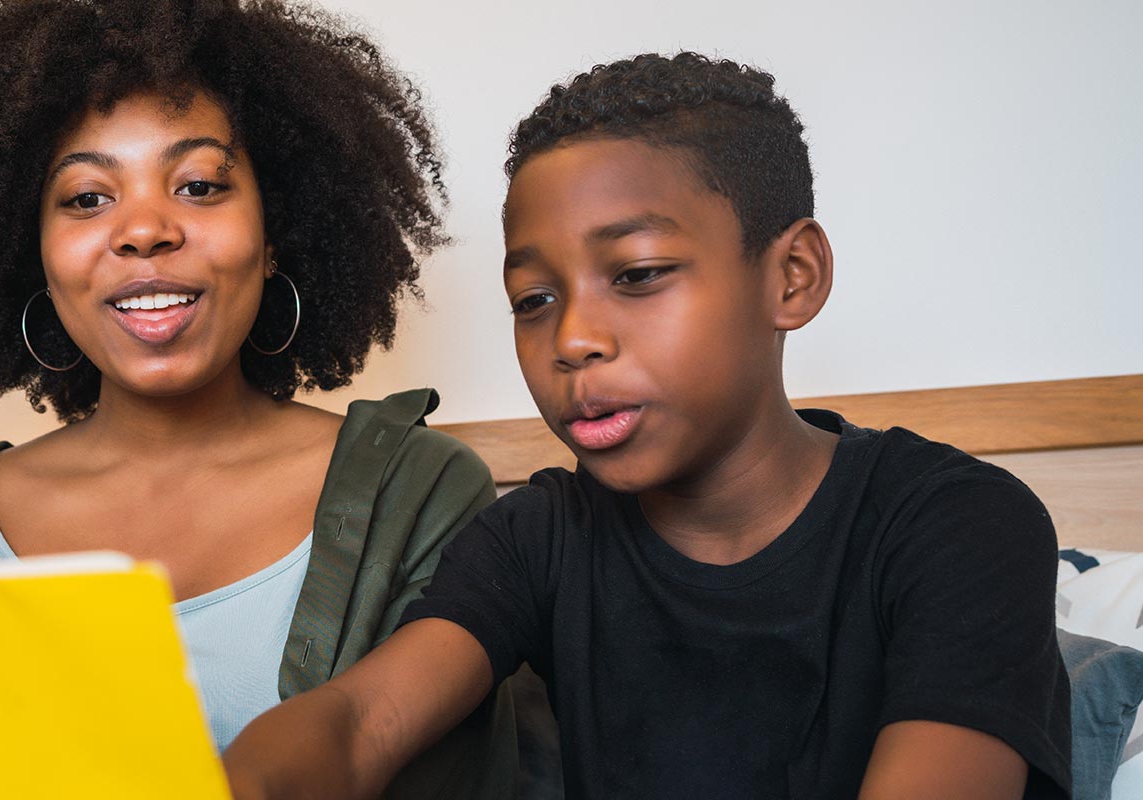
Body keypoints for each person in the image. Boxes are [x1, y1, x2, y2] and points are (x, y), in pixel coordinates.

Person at [223, 52, 1071, 798]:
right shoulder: (537, 538)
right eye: (534, 300)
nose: (573, 340)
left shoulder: (959, 524)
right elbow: (360, 722)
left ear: (793, 277)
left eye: (637, 274)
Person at [0, 0, 517, 793]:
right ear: (29, 253)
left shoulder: (422, 492)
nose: (144, 229)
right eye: (88, 198)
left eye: (199, 185)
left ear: (275, 236)